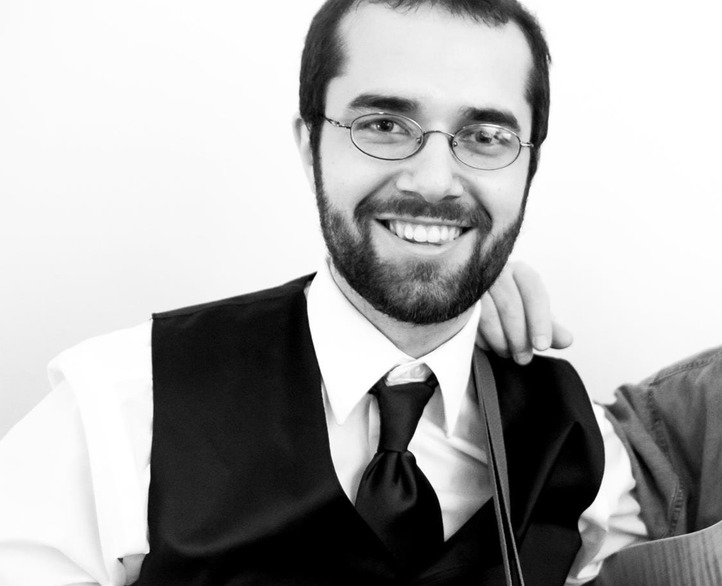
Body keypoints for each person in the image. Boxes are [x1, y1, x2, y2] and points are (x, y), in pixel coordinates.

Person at [0, 1, 646, 584]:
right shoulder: (118, 408)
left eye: (486, 138)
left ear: (528, 166)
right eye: (384, 125)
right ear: (310, 144)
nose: (433, 181)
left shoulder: (582, 445)